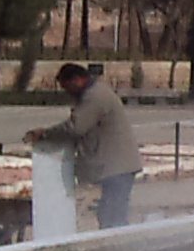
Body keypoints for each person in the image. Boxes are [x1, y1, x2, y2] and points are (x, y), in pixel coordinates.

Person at [36, 62, 141, 227]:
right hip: (116, 165)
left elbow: (76, 127)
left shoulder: (95, 97)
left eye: (67, 87)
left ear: (77, 79)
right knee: (109, 213)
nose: (67, 92)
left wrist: (45, 134)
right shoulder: (96, 92)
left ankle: (118, 242)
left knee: (112, 216)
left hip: (117, 167)